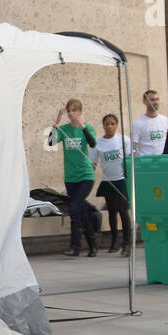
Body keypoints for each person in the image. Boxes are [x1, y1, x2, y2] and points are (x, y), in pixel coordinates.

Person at [47, 98, 98, 257]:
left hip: (85, 176)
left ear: (80, 112)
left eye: (74, 110)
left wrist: (82, 125)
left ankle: (75, 247)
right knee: (81, 210)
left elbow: (93, 144)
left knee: (74, 208)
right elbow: (50, 142)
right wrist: (57, 122)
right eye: (69, 110)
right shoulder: (64, 129)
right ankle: (93, 245)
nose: (71, 113)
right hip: (70, 178)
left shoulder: (87, 128)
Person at [91, 114, 131, 256]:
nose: (110, 126)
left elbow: (130, 159)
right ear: (103, 126)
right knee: (112, 211)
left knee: (123, 211)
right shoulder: (98, 143)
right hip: (108, 181)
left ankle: (127, 243)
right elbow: (93, 163)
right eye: (107, 124)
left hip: (121, 180)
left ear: (116, 125)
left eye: (112, 124)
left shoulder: (124, 140)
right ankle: (114, 240)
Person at [131, 89, 168, 157]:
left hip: (164, 160)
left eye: (157, 99)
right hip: (147, 162)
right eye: (152, 100)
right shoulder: (138, 124)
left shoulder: (165, 120)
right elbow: (133, 147)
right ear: (144, 102)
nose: (155, 102)